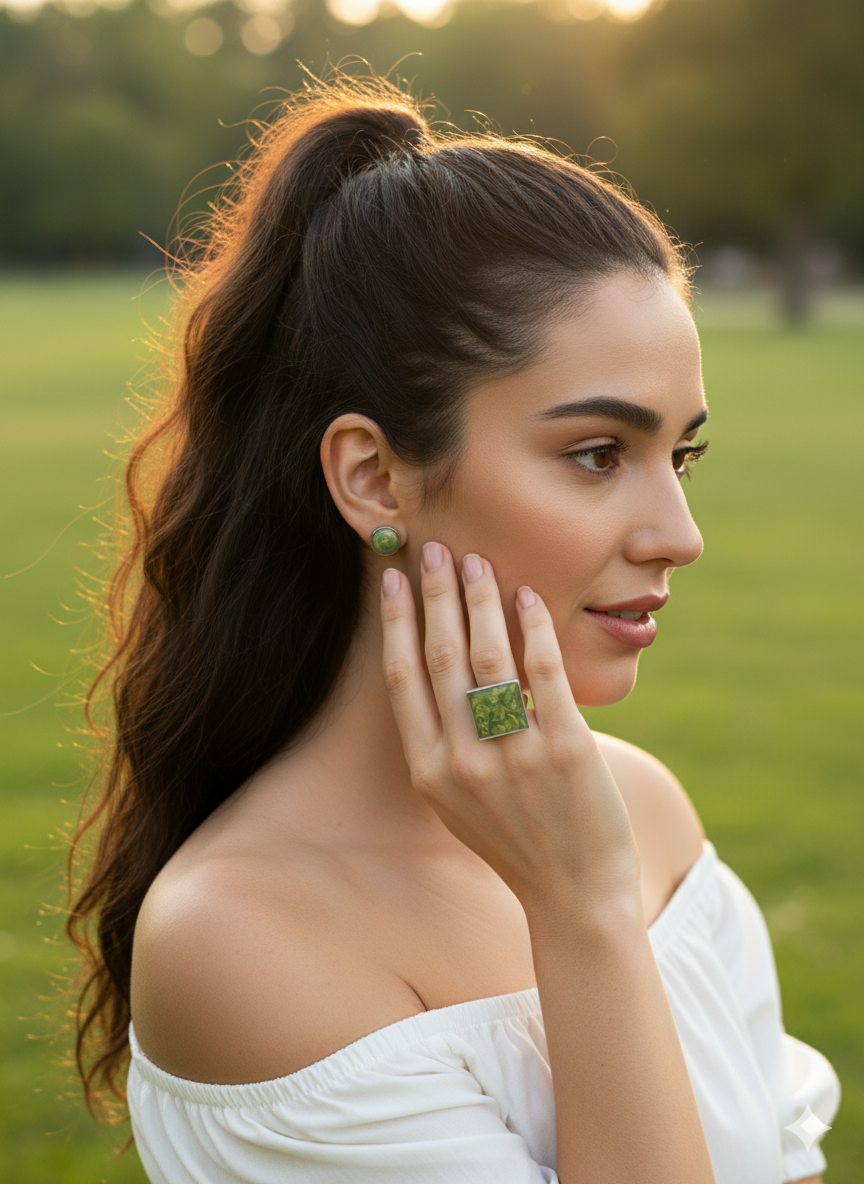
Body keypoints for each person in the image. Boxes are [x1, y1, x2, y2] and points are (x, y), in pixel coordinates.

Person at [67, 74, 839, 1184]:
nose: (681, 534)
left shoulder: (641, 809)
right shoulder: (242, 940)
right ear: (374, 477)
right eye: (597, 454)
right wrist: (581, 911)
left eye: (682, 456)